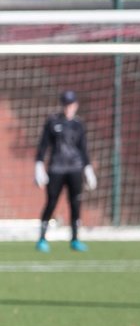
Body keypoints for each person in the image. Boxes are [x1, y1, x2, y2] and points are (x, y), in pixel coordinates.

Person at [34, 89, 97, 253]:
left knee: (76, 203)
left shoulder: (78, 125)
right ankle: (42, 238)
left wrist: (88, 169)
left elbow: (83, 149)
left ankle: (75, 239)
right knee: (51, 202)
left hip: (74, 169)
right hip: (56, 168)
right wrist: (39, 165)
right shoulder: (53, 122)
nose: (69, 107)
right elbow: (43, 145)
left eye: (71, 104)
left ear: (76, 105)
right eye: (66, 104)